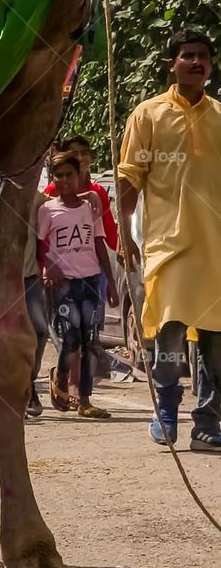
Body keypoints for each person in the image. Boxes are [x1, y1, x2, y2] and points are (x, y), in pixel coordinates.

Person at [118, 28, 221, 452]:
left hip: (216, 248)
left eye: (203, 56)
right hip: (169, 245)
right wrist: (125, 235)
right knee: (171, 334)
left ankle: (208, 422)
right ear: (171, 64)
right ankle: (166, 407)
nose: (195, 62)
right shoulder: (147, 114)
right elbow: (128, 179)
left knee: (216, 344)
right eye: (187, 56)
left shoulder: (219, 115)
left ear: (211, 65)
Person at [38, 153, 118, 420]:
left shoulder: (90, 208)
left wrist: (111, 282)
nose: (63, 180)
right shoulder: (47, 210)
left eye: (69, 174)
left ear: (79, 177)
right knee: (70, 341)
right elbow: (40, 245)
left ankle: (84, 400)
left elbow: (99, 243)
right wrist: (49, 265)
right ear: (52, 178)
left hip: (91, 281)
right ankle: (60, 375)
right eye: (58, 175)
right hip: (64, 285)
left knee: (91, 343)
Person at [0, 186, 48, 419]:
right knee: (7, 336)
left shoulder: (36, 196)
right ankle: (12, 393)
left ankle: (29, 382)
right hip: (2, 279)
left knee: (40, 330)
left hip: (29, 276)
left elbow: (61, 200)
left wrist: (88, 196)